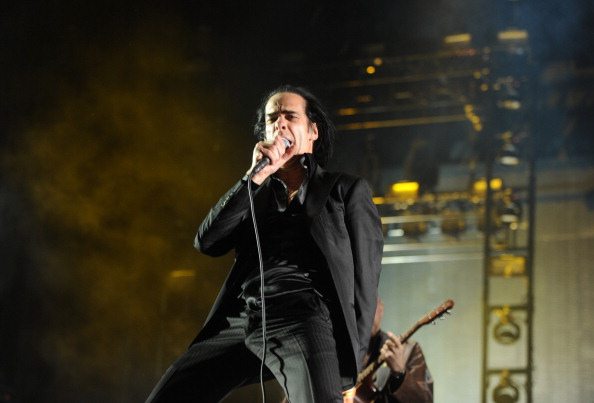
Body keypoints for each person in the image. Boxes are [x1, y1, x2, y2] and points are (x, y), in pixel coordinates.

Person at [145, 85, 384, 402]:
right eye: (273, 119)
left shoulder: (344, 190)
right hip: (245, 316)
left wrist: (353, 361)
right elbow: (207, 241)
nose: (280, 124)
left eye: (290, 116)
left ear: (313, 131)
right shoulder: (254, 194)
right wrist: (253, 177)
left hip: (303, 315)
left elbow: (366, 278)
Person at [356, 298, 433, 403]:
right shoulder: (339, 352)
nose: (366, 315)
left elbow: (425, 401)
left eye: (371, 305)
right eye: (358, 307)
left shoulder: (409, 350)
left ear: (381, 309)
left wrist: (399, 373)